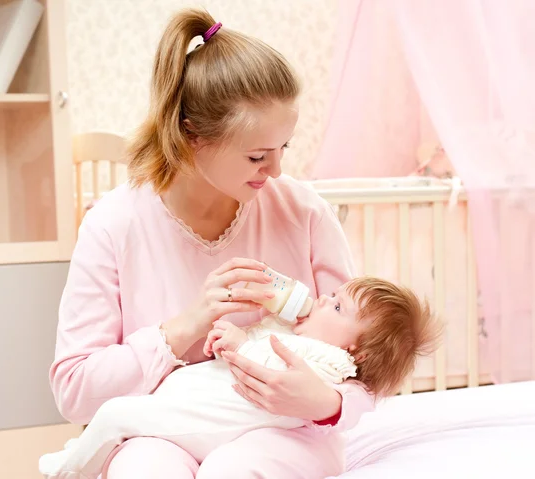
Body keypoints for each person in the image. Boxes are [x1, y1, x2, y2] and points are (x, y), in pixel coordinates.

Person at [50, 8, 376, 479]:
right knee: (143, 468)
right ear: (191, 136)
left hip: (284, 434)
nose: (277, 171)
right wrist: (181, 330)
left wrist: (326, 403)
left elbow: (371, 353)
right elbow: (74, 390)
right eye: (257, 156)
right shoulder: (113, 225)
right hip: (165, 432)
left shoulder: (304, 212)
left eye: (284, 148)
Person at [41, 276, 440, 479]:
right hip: (200, 422)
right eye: (332, 295)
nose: (321, 299)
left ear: (357, 352)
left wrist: (239, 343)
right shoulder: (300, 338)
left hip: (217, 427)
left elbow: (271, 369)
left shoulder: (328, 361)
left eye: (336, 307)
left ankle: (71, 468)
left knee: (115, 416)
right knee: (133, 441)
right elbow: (266, 344)